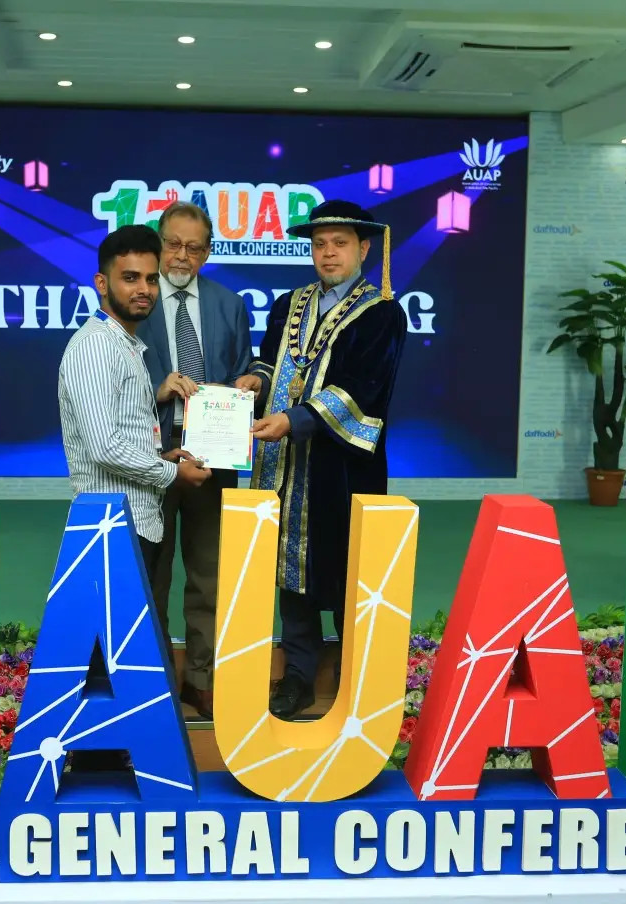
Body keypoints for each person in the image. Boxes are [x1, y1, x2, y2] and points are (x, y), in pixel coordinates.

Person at [247, 200, 408, 720]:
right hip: (284, 466)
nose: (328, 253)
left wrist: (295, 420)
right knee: (288, 570)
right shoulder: (288, 305)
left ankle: (355, 673)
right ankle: (298, 673)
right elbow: (271, 361)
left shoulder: (382, 313)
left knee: (346, 567)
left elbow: (365, 388)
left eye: (340, 243)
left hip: (342, 468)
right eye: (319, 244)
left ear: (364, 248)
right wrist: (255, 382)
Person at [135, 202, 263, 720]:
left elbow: (246, 366)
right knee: (151, 577)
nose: (181, 256)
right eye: (173, 244)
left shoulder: (229, 304)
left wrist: (253, 380)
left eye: (193, 247)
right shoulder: (136, 302)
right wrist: (158, 389)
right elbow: (113, 382)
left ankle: (202, 681)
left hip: (215, 458)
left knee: (210, 574)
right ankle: (156, 684)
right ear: (159, 244)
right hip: (151, 458)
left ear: (207, 252)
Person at [58, 223, 211, 581]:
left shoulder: (124, 344)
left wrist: (161, 458)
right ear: (101, 284)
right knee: (109, 621)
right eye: (130, 278)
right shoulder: (96, 345)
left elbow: (124, 433)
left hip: (134, 521)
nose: (144, 289)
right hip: (111, 525)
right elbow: (105, 447)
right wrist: (173, 473)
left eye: (151, 279)